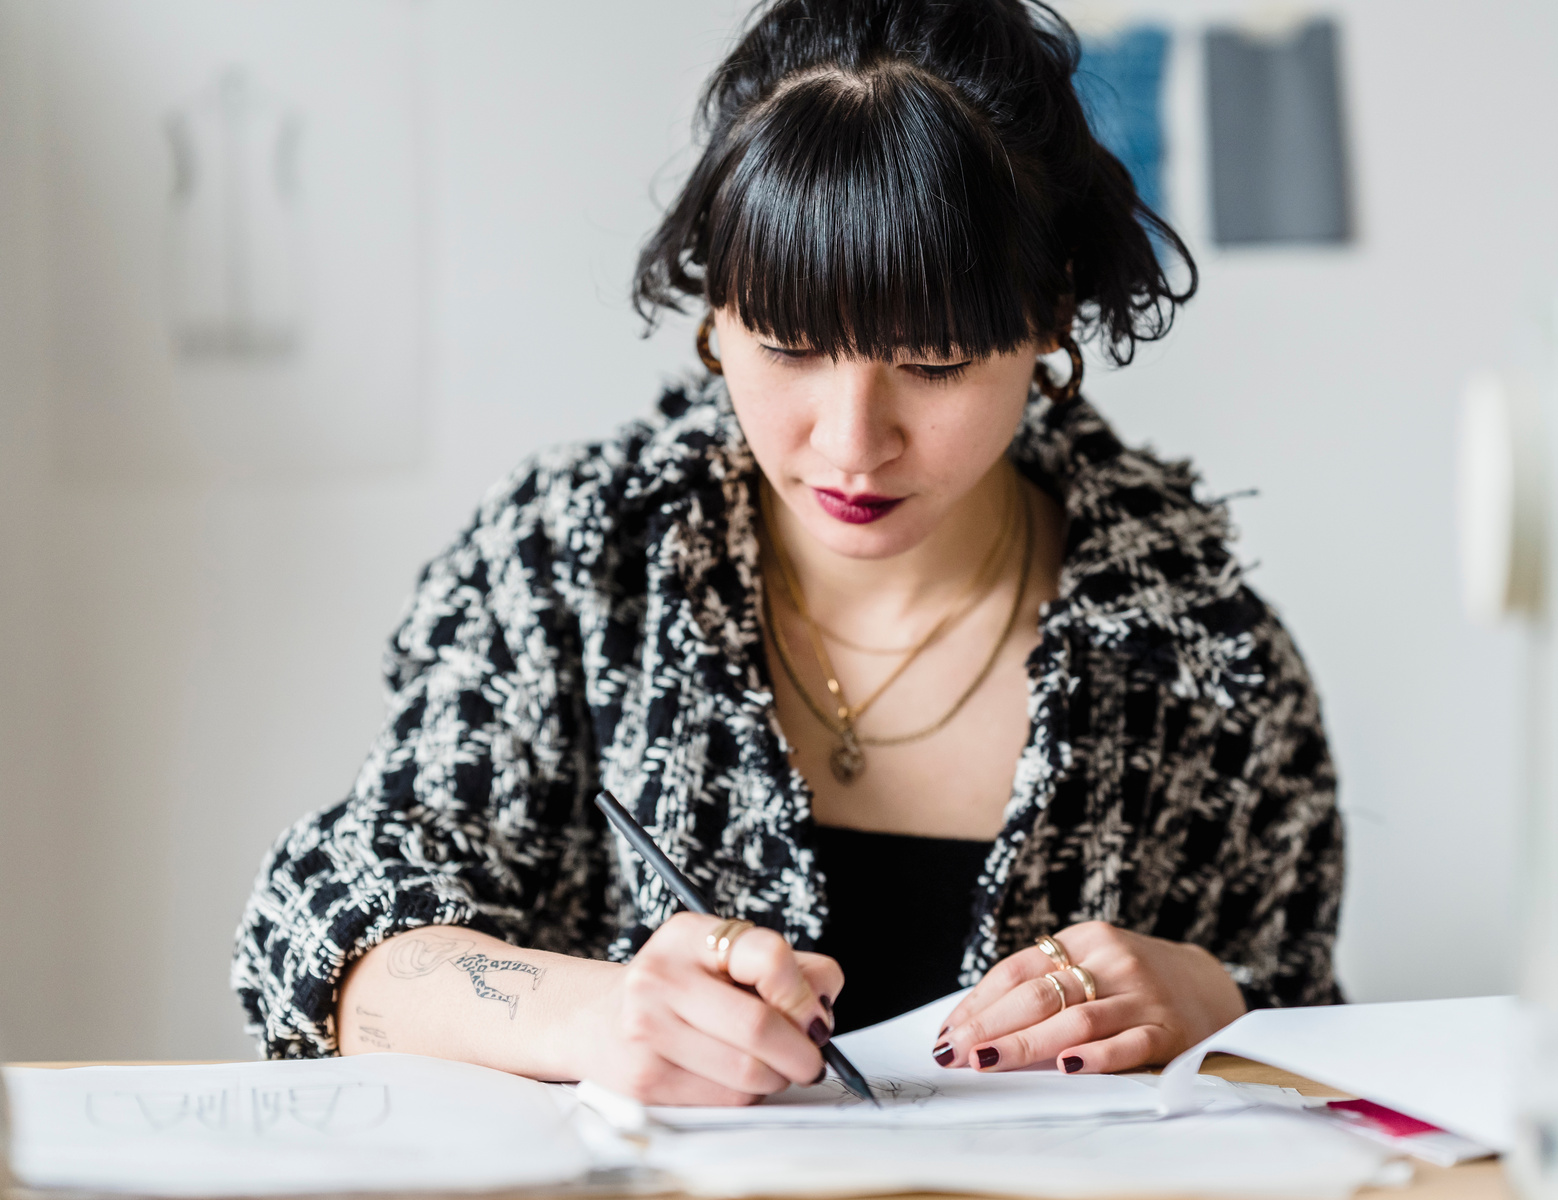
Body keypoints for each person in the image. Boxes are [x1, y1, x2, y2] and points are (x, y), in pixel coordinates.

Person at [233, 0, 1343, 1106]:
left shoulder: (1201, 651)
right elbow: (319, 935)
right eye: (790, 349)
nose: (853, 442)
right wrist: (597, 1015)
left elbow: (1337, 1075)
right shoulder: (575, 567)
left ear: (1048, 318)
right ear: (716, 311)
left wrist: (1223, 1004)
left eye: (937, 363)